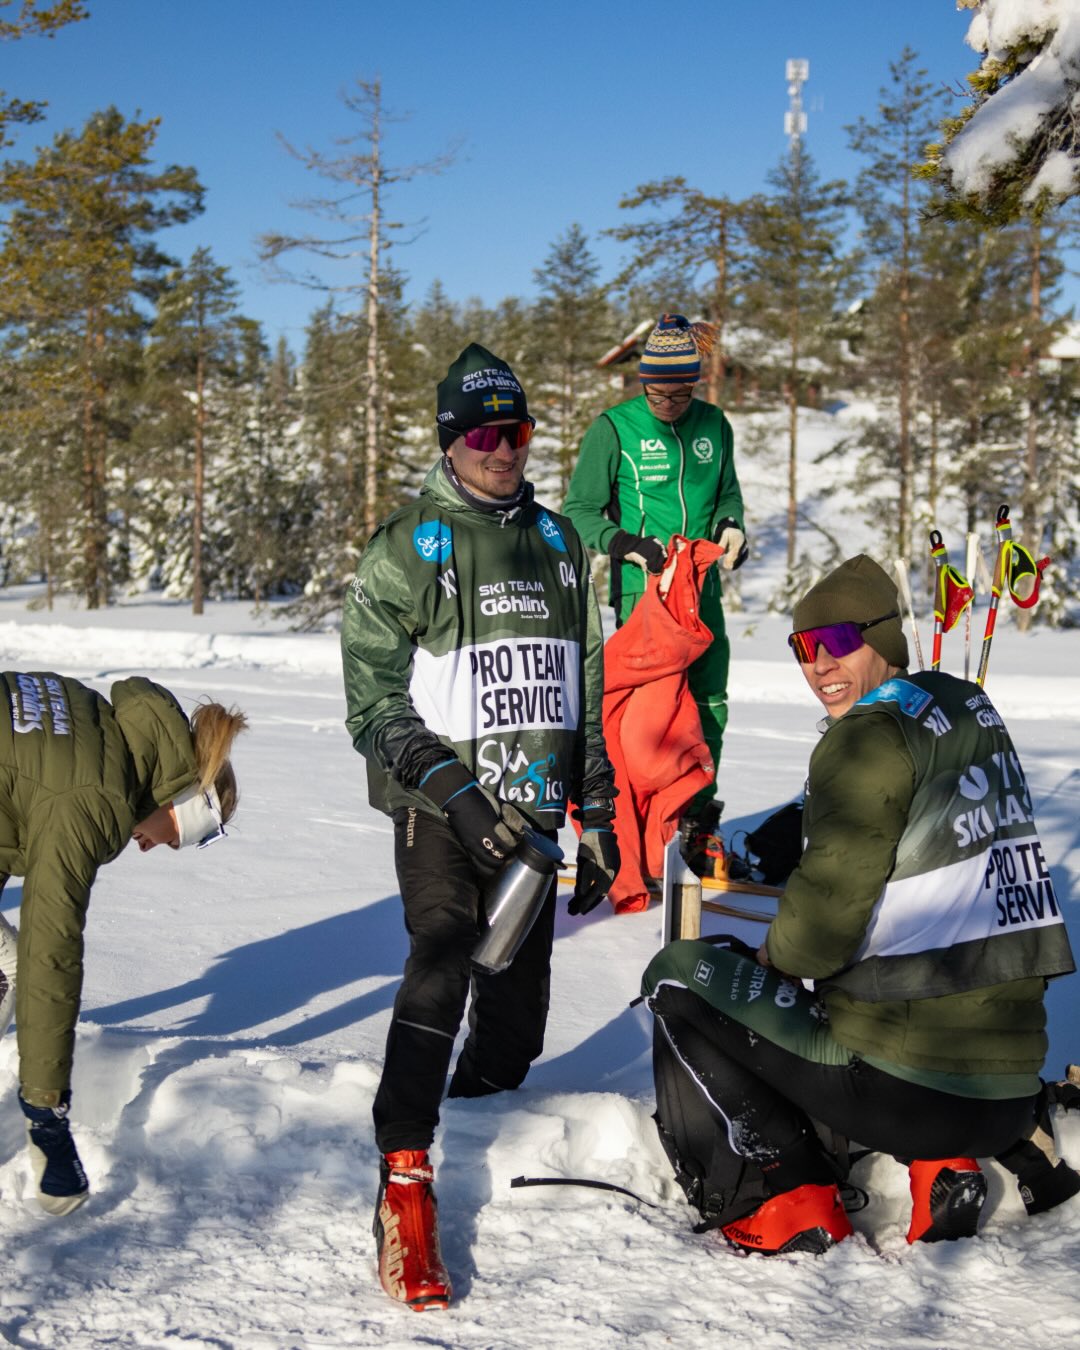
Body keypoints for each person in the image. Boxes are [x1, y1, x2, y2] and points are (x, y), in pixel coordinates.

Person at [641, 554, 1078, 1254]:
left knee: (680, 973)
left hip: (905, 1093)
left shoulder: (863, 739)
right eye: (802, 648)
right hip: (1011, 1086)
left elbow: (817, 934)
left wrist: (770, 957)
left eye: (837, 642)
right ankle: (947, 1171)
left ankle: (788, 1196)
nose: (818, 665)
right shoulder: (968, 705)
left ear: (884, 637)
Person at [341, 343, 619, 1312]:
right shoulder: (408, 544)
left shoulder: (557, 543)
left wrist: (602, 811)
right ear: (453, 440)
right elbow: (369, 699)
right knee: (442, 955)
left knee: (516, 1016)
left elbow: (581, 678)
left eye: (520, 431)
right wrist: (450, 787)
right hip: (442, 811)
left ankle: (479, 1128)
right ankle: (405, 1179)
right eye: (487, 434)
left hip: (535, 822)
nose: (506, 450)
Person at [0, 671, 247, 1216]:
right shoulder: (98, 796)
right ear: (184, 805)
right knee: (25, 965)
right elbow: (53, 943)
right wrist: (46, 1114)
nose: (155, 846)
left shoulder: (94, 720)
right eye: (183, 838)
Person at [563, 312, 747, 873]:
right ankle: (631, 826)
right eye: (658, 390)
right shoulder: (613, 428)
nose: (669, 401)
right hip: (643, 598)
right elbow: (578, 512)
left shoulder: (715, 426)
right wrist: (627, 544)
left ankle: (695, 821)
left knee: (709, 703)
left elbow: (726, 496)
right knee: (649, 720)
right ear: (642, 381)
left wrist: (732, 528)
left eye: (681, 390)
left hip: (702, 592)